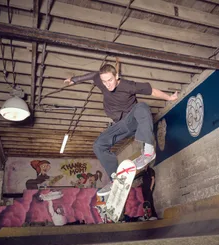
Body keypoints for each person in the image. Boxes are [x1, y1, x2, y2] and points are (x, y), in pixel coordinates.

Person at [64, 63, 178, 194]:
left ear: (116, 76)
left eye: (110, 80)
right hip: (119, 125)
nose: (107, 84)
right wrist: (74, 80)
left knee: (142, 107)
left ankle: (148, 151)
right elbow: (91, 76)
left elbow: (152, 91)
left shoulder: (128, 85)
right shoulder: (100, 80)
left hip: (133, 119)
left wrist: (169, 97)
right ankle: (115, 178)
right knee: (98, 145)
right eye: (104, 81)